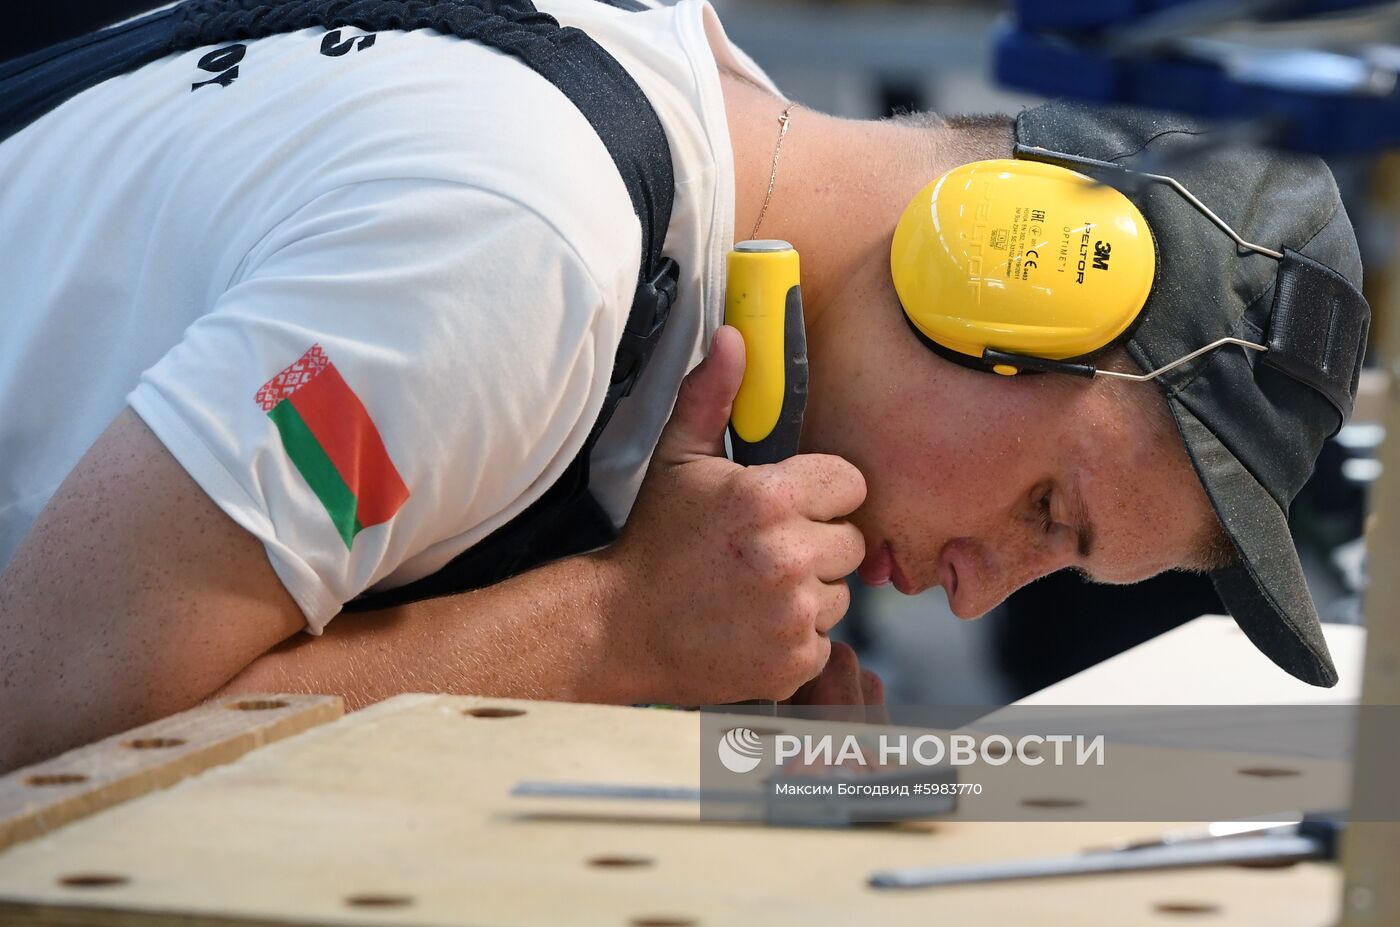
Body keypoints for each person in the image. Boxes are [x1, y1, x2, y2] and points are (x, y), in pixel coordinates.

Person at [0, 0, 1367, 771]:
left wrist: (652, 680)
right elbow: (54, 750)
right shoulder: (517, 252)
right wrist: (611, 631)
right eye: (1046, 515)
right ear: (1013, 270)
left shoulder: (694, 122)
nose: (975, 588)